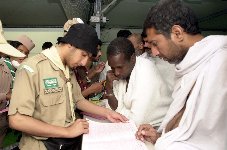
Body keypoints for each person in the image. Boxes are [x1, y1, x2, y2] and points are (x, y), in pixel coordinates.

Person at [8, 23, 127, 150]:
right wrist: (67, 131)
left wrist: (107, 113)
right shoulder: (32, 68)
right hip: (43, 145)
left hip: (67, 142)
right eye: (83, 55)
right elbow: (17, 120)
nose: (84, 62)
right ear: (70, 44)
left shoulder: (67, 68)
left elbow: (78, 100)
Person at [136, 0, 227, 150]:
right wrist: (160, 135)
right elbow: (188, 127)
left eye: (155, 43)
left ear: (177, 33)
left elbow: (212, 140)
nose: (154, 52)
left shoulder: (221, 61)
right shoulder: (188, 66)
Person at [105, 37, 172, 126]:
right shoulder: (122, 73)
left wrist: (119, 111)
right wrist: (109, 87)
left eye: (120, 67)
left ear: (133, 58)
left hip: (160, 128)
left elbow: (136, 121)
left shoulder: (146, 70)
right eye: (112, 68)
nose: (116, 72)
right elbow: (112, 108)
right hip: (135, 127)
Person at [0, 20, 26, 148]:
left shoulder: (20, 71)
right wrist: (7, 95)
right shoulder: (3, 67)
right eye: (20, 51)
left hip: (4, 117)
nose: (23, 55)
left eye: (25, 53)